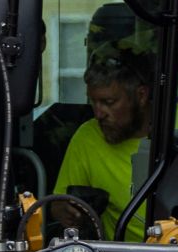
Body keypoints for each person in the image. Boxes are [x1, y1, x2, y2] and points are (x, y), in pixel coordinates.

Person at [53, 52, 157, 236]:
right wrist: (66, 211)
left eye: (108, 102)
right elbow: (58, 203)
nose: (98, 114)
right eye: (93, 102)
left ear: (141, 95)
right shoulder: (88, 137)